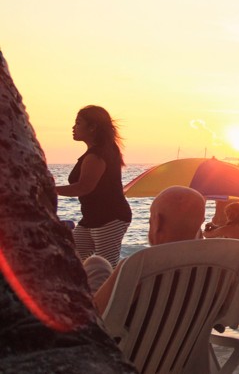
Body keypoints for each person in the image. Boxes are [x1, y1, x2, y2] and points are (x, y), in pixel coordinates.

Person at [93, 185, 207, 314]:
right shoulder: (214, 270)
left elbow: (95, 314)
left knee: (95, 264)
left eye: (150, 219)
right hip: (188, 332)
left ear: (157, 222)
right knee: (100, 264)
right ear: (201, 222)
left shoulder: (137, 267)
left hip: (126, 332)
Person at [54, 106, 133, 267]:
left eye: (78, 123)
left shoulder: (97, 155)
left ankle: (109, 292)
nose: (73, 127)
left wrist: (49, 189)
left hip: (110, 218)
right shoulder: (104, 150)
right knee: (72, 261)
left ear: (92, 127)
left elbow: (83, 187)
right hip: (91, 218)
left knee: (105, 266)